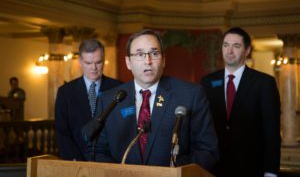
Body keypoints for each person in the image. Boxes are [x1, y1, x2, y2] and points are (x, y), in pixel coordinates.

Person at [85, 29, 218, 170]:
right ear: (128, 62)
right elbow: (97, 151)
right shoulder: (109, 99)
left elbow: (207, 150)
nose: (147, 61)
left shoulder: (190, 95)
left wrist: (173, 172)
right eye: (140, 54)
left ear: (164, 60)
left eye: (154, 54)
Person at [201, 27, 281, 177]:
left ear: (247, 50)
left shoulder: (264, 83)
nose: (229, 51)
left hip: (251, 167)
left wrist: (270, 171)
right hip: (214, 168)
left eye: (236, 46)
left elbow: (272, 132)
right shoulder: (207, 82)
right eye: (226, 45)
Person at [55, 39, 123, 161]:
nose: (94, 68)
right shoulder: (65, 92)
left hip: (111, 161)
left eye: (98, 62)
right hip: (76, 160)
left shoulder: (119, 88)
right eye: (88, 63)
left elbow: (123, 127)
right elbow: (62, 132)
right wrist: (74, 160)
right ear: (80, 62)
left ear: (104, 60)